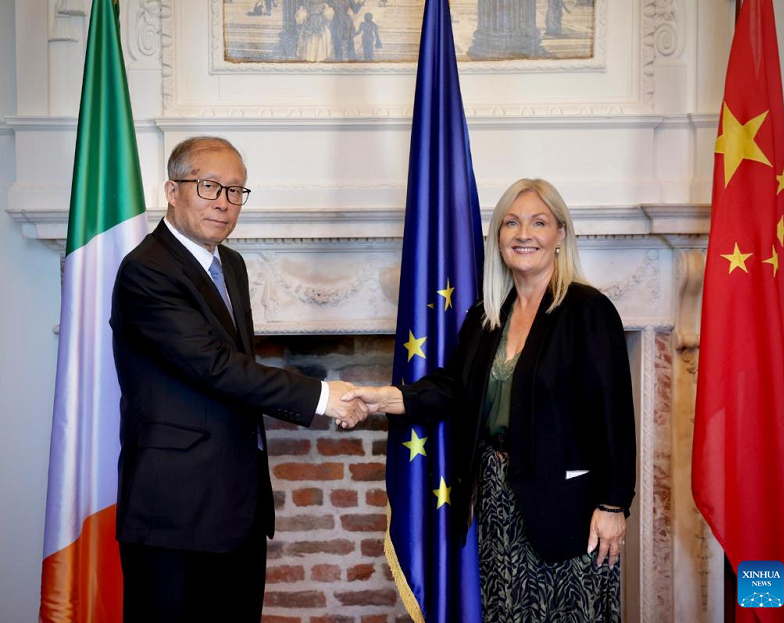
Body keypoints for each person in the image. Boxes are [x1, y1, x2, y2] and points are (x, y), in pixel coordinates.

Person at [344, 178, 636, 621]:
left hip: (567, 511)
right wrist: (383, 398)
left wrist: (614, 504)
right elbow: (453, 388)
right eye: (511, 223)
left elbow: (614, 415)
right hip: (496, 503)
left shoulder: (588, 310)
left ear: (560, 234)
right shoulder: (487, 315)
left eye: (539, 223)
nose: (524, 234)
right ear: (498, 236)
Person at [110, 136, 367, 623]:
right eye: (209, 186)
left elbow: (234, 369)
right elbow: (214, 366)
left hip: (237, 506)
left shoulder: (230, 264)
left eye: (235, 191)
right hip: (174, 510)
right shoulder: (146, 270)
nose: (223, 202)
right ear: (172, 190)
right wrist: (322, 396)